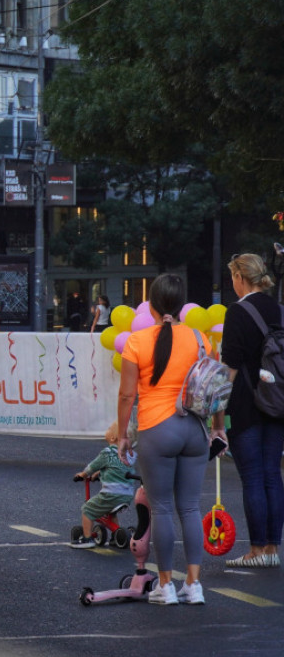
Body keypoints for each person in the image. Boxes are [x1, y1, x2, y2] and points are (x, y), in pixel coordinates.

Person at [117, 273, 218, 605]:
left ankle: (165, 586)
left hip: (156, 429)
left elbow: (127, 396)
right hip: (194, 429)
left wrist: (122, 436)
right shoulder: (202, 339)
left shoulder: (136, 341)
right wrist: (218, 428)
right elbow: (214, 388)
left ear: (153, 305)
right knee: (190, 507)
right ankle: (194, 585)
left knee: (160, 509)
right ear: (181, 304)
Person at [220, 253, 284, 568]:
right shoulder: (280, 310)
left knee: (253, 476)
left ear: (241, 277)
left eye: (233, 277)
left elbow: (229, 368)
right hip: (277, 403)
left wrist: (216, 411)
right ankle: (273, 548)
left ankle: (257, 550)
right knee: (273, 473)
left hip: (245, 403)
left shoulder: (237, 312)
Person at [69, 421, 136, 548]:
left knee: (87, 509)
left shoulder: (107, 453)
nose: (107, 429)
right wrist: (100, 474)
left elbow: (93, 466)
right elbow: (116, 469)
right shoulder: (128, 455)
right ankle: (116, 535)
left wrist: (83, 474)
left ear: (112, 437)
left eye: (109, 428)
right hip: (126, 495)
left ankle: (87, 539)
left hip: (111, 494)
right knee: (111, 512)